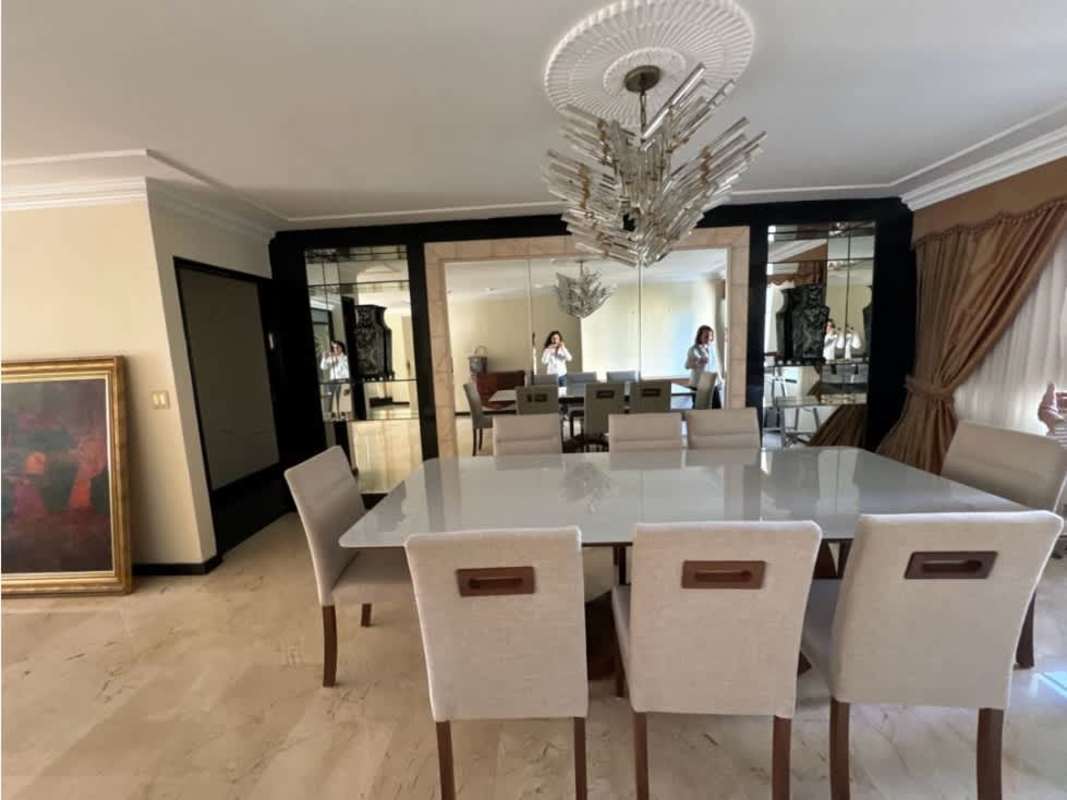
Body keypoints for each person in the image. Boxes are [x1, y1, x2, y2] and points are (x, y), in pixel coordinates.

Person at [686, 325, 722, 407]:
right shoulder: (693, 349)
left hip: (712, 383)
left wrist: (720, 380)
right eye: (706, 336)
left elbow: (716, 365)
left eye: (710, 335)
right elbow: (687, 365)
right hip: (697, 384)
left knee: (717, 408)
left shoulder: (712, 348)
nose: (709, 338)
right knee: (700, 410)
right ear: (700, 336)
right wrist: (698, 361)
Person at [319, 340, 350, 417]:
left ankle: (344, 415)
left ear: (341, 348)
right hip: (333, 381)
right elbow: (323, 367)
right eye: (334, 348)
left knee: (343, 400)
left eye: (337, 347)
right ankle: (334, 415)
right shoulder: (331, 358)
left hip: (344, 380)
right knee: (332, 400)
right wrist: (324, 358)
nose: (335, 349)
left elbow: (347, 369)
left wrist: (338, 359)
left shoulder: (345, 358)